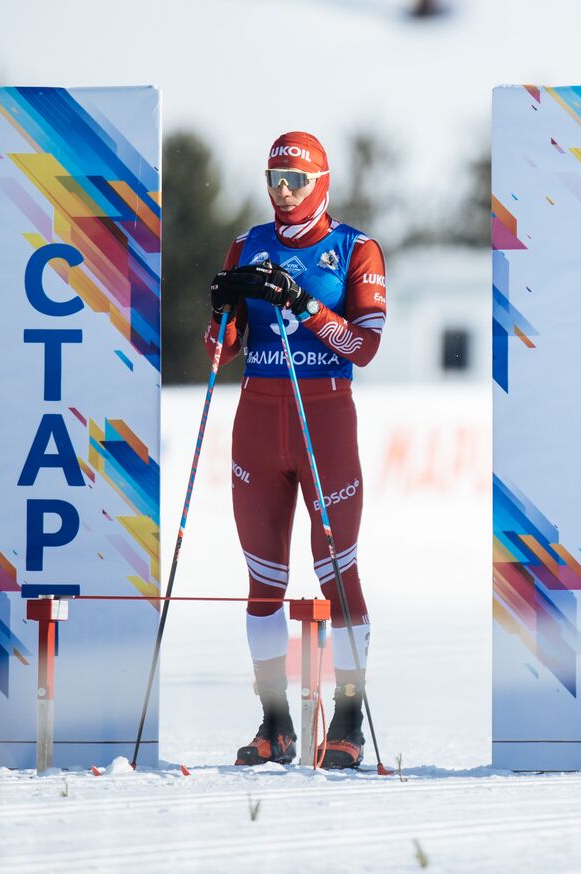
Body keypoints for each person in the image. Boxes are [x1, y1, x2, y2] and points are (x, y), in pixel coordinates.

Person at [206, 131, 388, 769]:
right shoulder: (247, 245)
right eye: (273, 178)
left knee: (338, 572)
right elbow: (218, 353)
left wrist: (304, 303)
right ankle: (275, 725)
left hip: (325, 419)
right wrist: (224, 312)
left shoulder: (355, 249)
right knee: (263, 582)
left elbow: (363, 346)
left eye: (296, 180)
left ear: (323, 183)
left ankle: (346, 722)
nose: (283, 192)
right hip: (257, 419)